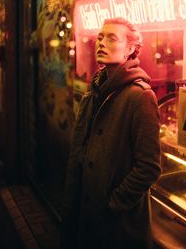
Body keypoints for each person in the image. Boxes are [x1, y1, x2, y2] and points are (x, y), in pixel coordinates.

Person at [61, 18, 161, 249]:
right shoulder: (96, 87)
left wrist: (112, 204)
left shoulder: (140, 96)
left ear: (130, 49)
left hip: (116, 225)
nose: (101, 42)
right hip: (85, 211)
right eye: (101, 37)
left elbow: (148, 167)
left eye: (112, 38)